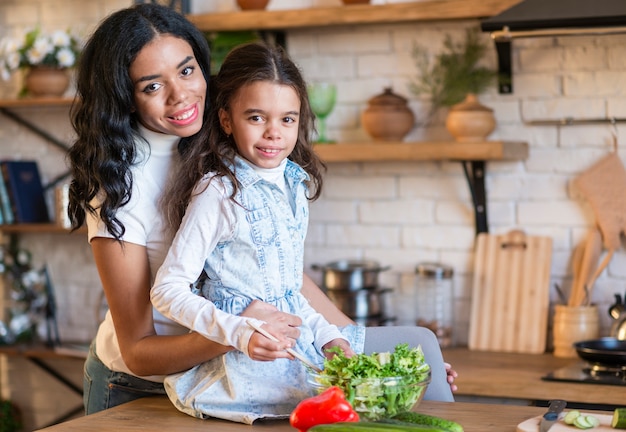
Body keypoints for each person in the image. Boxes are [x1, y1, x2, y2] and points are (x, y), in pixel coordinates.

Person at [66, 3, 456, 415]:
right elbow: (139, 352)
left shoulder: (215, 142)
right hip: (137, 388)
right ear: (123, 97)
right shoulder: (118, 188)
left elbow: (278, 271)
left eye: (186, 71)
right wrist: (242, 329)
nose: (181, 95)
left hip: (227, 369)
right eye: (151, 86)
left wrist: (367, 360)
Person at [150, 41, 364, 424]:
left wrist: (329, 336)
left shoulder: (295, 186)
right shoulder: (218, 192)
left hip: (296, 373)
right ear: (227, 120)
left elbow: (285, 293)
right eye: (256, 118)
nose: (273, 134)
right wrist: (238, 331)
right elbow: (167, 291)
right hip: (240, 382)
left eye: (287, 119)